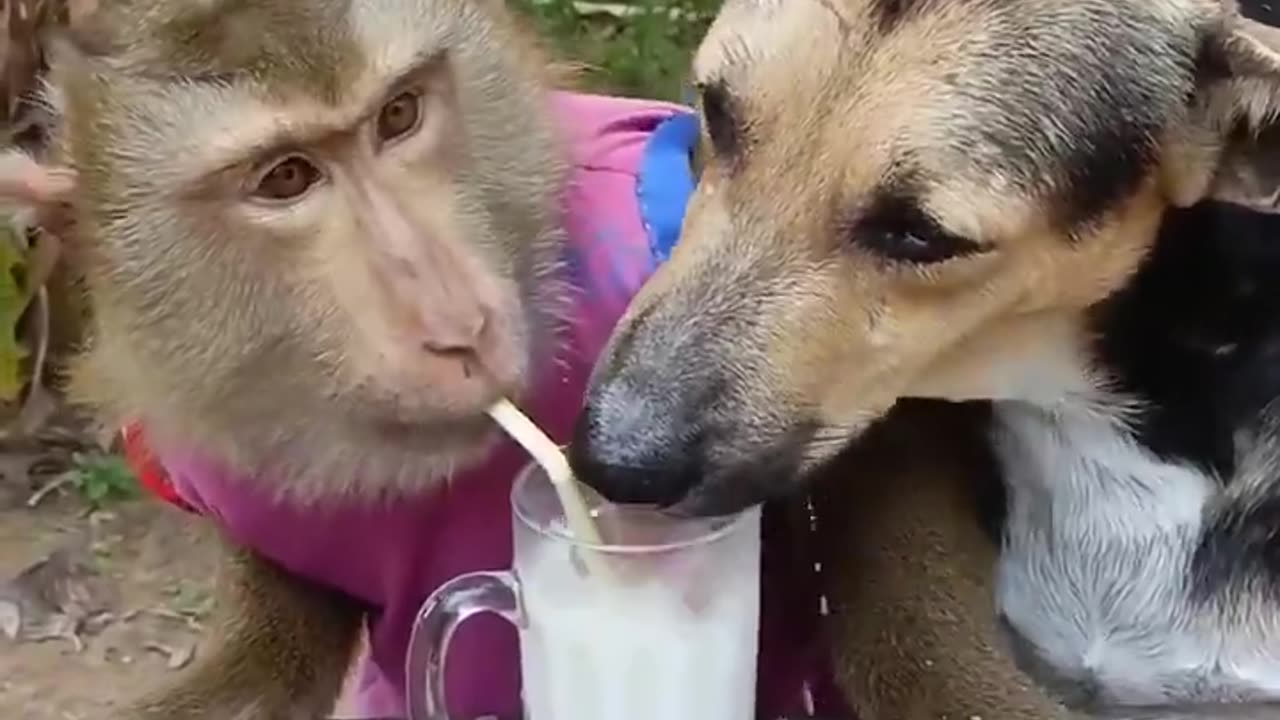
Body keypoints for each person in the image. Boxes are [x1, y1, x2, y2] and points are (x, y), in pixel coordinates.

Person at [14, 89, 849, 720]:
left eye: (400, 119)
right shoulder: (193, 409)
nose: (451, 312)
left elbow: (896, 432)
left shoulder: (660, 232)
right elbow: (313, 567)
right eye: (289, 180)